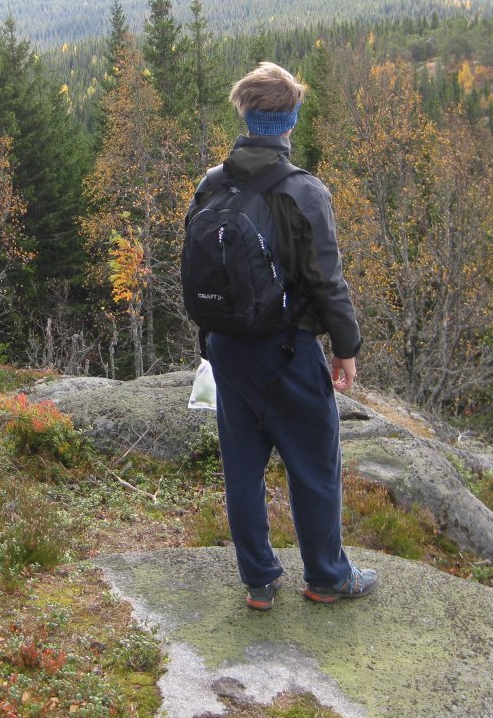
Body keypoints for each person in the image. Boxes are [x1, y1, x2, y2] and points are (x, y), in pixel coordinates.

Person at [185, 62, 377, 610]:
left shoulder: (211, 183)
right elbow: (326, 279)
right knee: (314, 462)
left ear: (246, 115)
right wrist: (346, 348)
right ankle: (325, 577)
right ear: (289, 120)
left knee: (242, 465)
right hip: (286, 350)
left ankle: (259, 581)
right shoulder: (303, 191)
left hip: (226, 349)